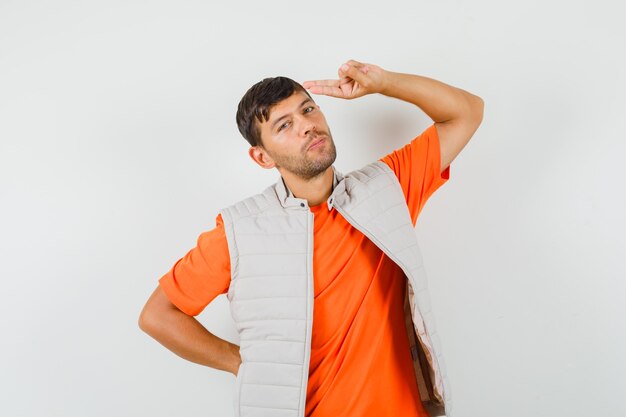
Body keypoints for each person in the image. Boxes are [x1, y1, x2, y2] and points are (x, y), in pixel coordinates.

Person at [139, 59, 484, 417]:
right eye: (284, 125)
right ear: (262, 157)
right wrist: (243, 364)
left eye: (308, 110)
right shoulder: (240, 232)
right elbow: (159, 315)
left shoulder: (386, 188)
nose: (307, 126)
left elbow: (467, 112)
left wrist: (385, 83)